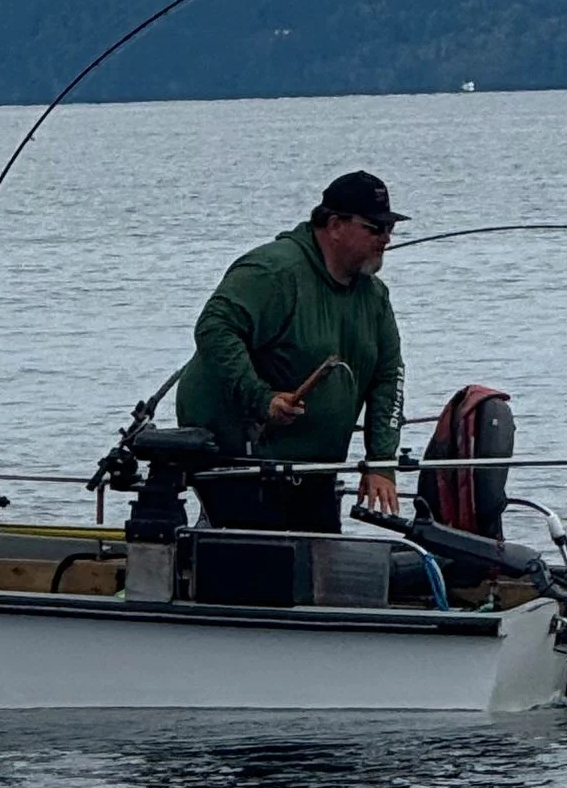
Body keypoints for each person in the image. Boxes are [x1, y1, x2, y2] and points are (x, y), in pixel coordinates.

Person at [174, 170, 406, 532]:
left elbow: (389, 376)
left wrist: (381, 461)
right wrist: (261, 399)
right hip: (242, 463)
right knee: (263, 562)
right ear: (335, 225)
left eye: (389, 228)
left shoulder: (374, 296)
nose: (386, 238)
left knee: (320, 556)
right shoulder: (273, 272)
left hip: (314, 469)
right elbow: (214, 328)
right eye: (375, 228)